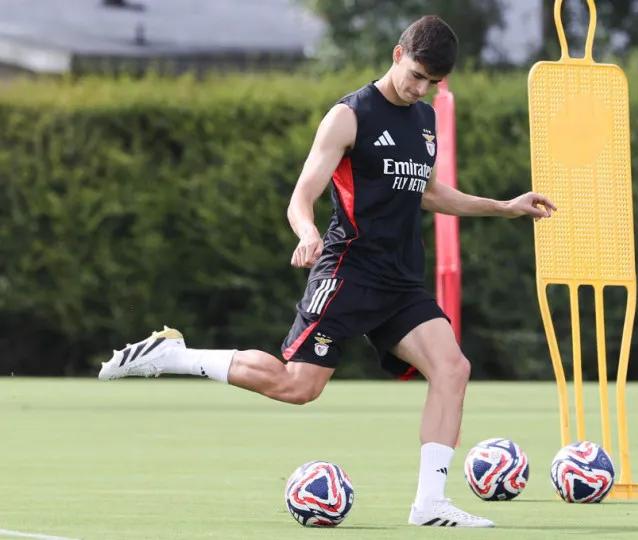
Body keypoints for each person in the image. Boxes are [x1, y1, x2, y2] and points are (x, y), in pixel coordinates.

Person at [98, 15, 556, 528]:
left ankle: (429, 504)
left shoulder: (424, 120)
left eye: (432, 81)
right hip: (348, 270)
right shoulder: (349, 115)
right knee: (298, 386)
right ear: (396, 53)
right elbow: (302, 196)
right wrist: (307, 233)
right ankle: (174, 355)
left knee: (453, 369)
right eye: (416, 74)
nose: (420, 87)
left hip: (400, 278)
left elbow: (426, 192)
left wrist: (504, 206)